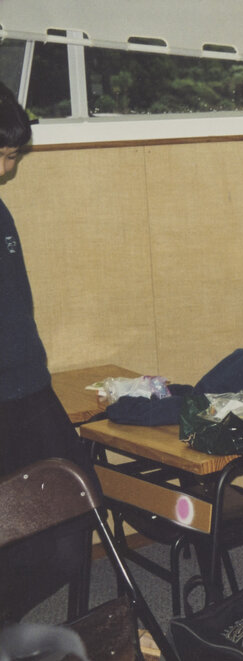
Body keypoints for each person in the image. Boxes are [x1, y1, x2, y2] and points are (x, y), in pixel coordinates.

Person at [0, 82, 93, 621]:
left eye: (12, 156)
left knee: (73, 518)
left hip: (31, 391)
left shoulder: (0, 212)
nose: (6, 169)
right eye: (2, 154)